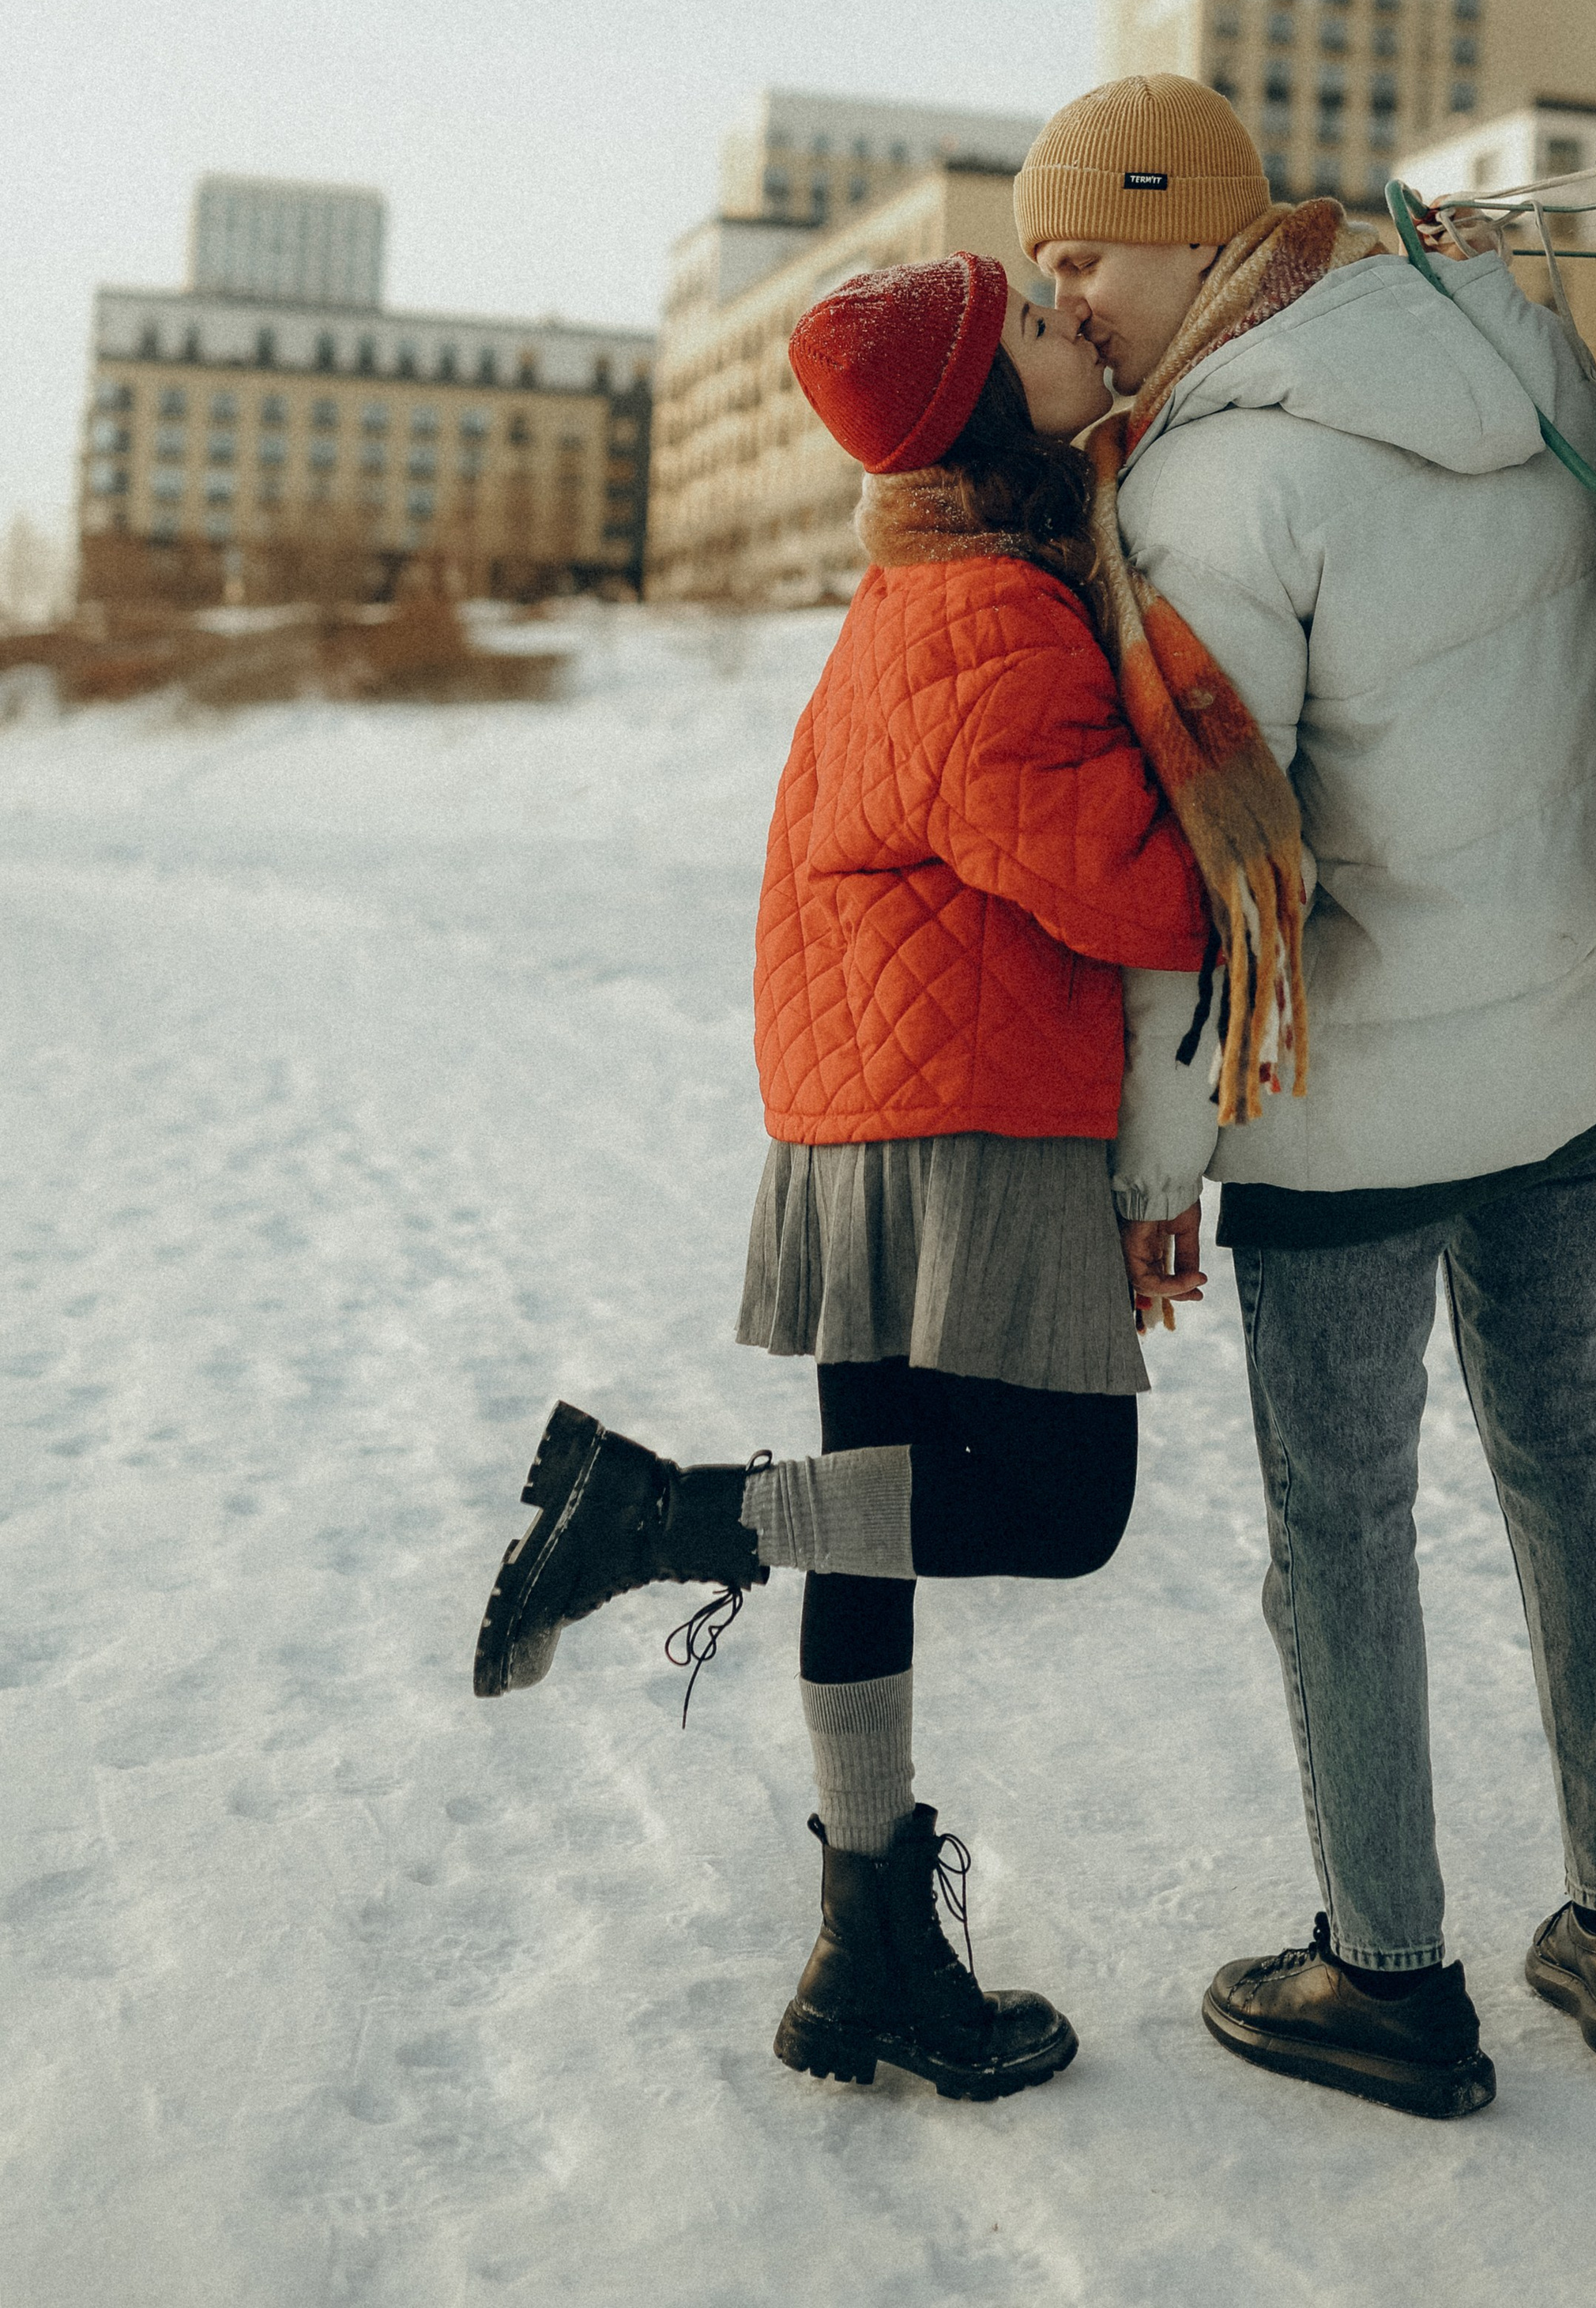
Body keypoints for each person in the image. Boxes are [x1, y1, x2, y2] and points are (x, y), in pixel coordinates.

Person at [1015, 71, 1596, 2122]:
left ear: (1194, 234)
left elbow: (1194, 895)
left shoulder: (1210, 489)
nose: (1067, 299)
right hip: (1589, 1028)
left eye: (1087, 256)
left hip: (1364, 1112)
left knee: (1343, 1511)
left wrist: (1156, 1170)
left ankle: (1385, 1977)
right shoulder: (1521, 341)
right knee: (1570, 1433)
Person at [472, 250, 1210, 2105]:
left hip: (866, 1111)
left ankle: (859, 1950)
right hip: (952, 1120)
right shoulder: (986, 616)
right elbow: (1140, 883)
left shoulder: (922, 593)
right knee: (1055, 1506)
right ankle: (657, 1523)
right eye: (1035, 328)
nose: (1069, 325)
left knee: (869, 1513)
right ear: (974, 402)